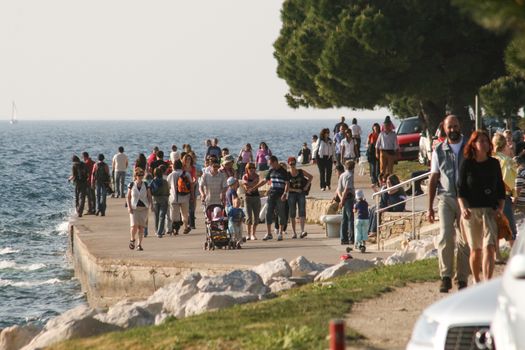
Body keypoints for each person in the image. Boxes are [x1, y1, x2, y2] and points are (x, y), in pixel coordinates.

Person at [428, 114, 470, 292]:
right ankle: (445, 276)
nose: (453, 130)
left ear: (460, 126)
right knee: (445, 236)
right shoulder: (439, 150)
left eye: (455, 126)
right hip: (446, 198)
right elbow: (434, 177)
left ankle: (462, 279)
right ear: (444, 129)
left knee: (465, 240)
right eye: (449, 127)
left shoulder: (470, 147)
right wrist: (429, 206)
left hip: (467, 200)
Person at [458, 130, 505, 283]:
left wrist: (500, 209)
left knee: (490, 248)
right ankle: (477, 281)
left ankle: (487, 281)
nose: (484, 143)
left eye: (486, 140)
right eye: (481, 141)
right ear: (473, 144)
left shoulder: (494, 163)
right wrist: (463, 208)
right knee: (476, 250)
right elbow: (461, 190)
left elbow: (500, 190)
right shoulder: (467, 164)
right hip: (471, 212)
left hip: (490, 212)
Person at [492, 133, 518, 247]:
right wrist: (514, 194)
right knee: (510, 228)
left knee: (495, 228)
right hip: (503, 196)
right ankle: (515, 254)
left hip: (489, 199)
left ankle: (497, 256)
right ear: (505, 145)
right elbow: (508, 181)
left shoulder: (490, 159)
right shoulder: (507, 161)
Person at [256, 156, 289, 241]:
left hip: (280, 195)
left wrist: (285, 193)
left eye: (271, 163)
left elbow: (287, 184)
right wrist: (255, 187)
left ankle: (280, 233)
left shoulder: (283, 171)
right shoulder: (271, 170)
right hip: (272, 194)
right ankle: (269, 233)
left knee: (281, 214)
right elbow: (264, 181)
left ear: (275, 162)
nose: (270, 165)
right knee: (268, 214)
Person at [126, 167, 152, 251]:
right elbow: (128, 197)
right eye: (139, 175)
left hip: (144, 208)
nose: (140, 176)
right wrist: (129, 207)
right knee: (134, 226)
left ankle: (139, 245)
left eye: (142, 175)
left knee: (141, 227)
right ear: (136, 176)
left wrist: (151, 205)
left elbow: (149, 196)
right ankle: (132, 239)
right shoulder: (131, 184)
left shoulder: (146, 184)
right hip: (134, 208)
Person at [287, 157, 312, 239]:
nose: (292, 166)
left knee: (302, 211)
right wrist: (295, 190)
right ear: (288, 164)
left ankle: (302, 231)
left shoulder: (301, 172)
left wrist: (306, 186)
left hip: (301, 193)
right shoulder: (287, 174)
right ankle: (294, 232)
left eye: (294, 164)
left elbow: (310, 177)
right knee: (292, 213)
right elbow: (286, 187)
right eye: (291, 164)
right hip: (292, 194)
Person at [167, 160, 194, 235]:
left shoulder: (170, 175)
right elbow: (191, 185)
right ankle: (185, 227)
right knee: (184, 214)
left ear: (174, 166)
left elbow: (168, 186)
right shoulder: (186, 174)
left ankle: (176, 229)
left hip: (173, 197)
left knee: (175, 216)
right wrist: (192, 196)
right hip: (185, 197)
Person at [337, 160, 356, 245]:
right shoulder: (350, 175)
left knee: (344, 219)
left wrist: (341, 199)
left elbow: (339, 189)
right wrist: (342, 200)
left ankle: (343, 238)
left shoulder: (342, 175)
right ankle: (351, 238)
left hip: (344, 198)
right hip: (348, 198)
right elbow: (347, 189)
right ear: (353, 167)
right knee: (350, 219)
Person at [242, 163, 261, 240]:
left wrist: (249, 184)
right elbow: (245, 185)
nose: (252, 169)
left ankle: (253, 234)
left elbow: (256, 182)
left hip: (256, 197)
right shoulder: (245, 176)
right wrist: (251, 185)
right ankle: (248, 234)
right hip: (247, 198)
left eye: (253, 168)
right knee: (248, 217)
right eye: (250, 168)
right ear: (247, 169)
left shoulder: (257, 176)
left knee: (256, 218)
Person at [150, 167, 170, 238]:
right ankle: (159, 232)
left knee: (156, 216)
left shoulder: (153, 181)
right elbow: (167, 191)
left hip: (155, 199)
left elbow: (151, 191)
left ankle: (156, 230)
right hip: (164, 199)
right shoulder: (165, 181)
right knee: (162, 216)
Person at [182, 154, 198, 229]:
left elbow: (195, 177)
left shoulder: (193, 168)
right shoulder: (182, 168)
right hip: (184, 188)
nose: (188, 160)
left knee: (191, 206)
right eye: (187, 159)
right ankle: (186, 220)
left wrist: (194, 181)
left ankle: (192, 224)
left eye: (189, 159)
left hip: (192, 187)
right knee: (185, 206)